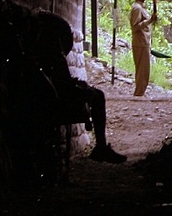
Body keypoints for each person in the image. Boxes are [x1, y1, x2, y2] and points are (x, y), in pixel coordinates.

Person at [28, 10, 127, 163]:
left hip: (49, 98)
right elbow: (63, 84)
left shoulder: (36, 52)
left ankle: (100, 147)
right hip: (58, 101)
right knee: (98, 95)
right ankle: (100, 146)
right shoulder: (54, 55)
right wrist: (81, 88)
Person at [129, 0, 157, 97]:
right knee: (142, 71)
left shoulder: (141, 8)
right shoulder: (137, 8)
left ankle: (140, 93)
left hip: (144, 42)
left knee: (144, 70)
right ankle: (138, 94)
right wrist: (150, 20)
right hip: (140, 43)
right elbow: (135, 27)